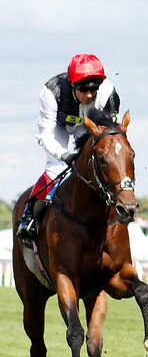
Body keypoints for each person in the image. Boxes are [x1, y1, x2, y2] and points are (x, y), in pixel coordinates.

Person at [15, 54, 120, 240]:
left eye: (94, 87)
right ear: (72, 85)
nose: (89, 94)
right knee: (56, 166)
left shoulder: (108, 94)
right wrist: (65, 156)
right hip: (59, 125)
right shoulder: (51, 91)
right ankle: (29, 215)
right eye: (83, 88)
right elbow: (45, 136)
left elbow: (111, 137)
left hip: (90, 126)